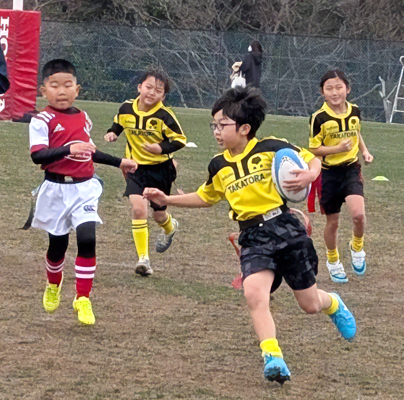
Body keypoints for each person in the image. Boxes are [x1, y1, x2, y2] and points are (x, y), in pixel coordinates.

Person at [143, 86, 356, 384]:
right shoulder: (218, 165)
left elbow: (311, 158)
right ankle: (273, 357)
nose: (216, 132)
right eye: (213, 125)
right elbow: (206, 196)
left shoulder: (271, 147)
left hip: (285, 228)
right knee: (254, 293)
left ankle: (332, 303)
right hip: (252, 237)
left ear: (244, 128)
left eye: (222, 125)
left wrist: (310, 174)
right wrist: (167, 200)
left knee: (309, 305)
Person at [29, 59, 138, 325]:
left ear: (77, 89)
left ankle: (83, 298)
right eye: (54, 86)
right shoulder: (41, 120)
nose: (62, 91)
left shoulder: (83, 117)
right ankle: (53, 283)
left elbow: (89, 151)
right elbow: (37, 155)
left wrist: (119, 162)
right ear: (44, 91)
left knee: (87, 238)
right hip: (55, 189)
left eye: (68, 85)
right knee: (58, 245)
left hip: (84, 189)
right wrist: (68, 149)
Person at [104, 70, 187, 277]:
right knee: (139, 209)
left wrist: (161, 148)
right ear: (139, 87)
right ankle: (144, 259)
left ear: (163, 96)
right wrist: (113, 132)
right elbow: (119, 122)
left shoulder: (164, 116)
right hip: (135, 168)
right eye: (148, 87)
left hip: (161, 170)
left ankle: (170, 226)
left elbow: (180, 140)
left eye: (158, 90)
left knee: (159, 214)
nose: (152, 93)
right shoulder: (126, 108)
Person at [308, 70, 374, 283]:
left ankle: (357, 246)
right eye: (329, 88)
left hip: (351, 169)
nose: (335, 92)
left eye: (339, 87)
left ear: (348, 89)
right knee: (333, 222)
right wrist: (336, 148)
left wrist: (364, 151)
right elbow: (314, 149)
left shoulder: (355, 110)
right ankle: (333, 259)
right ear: (322, 92)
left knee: (358, 215)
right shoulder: (319, 118)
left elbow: (356, 132)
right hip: (328, 175)